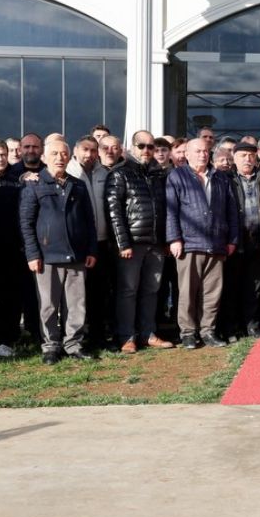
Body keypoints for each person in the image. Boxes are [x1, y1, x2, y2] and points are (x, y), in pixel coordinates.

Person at [20, 136, 98, 364]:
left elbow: (89, 221)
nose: (59, 158)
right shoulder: (34, 184)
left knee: (76, 304)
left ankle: (73, 344)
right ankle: (51, 346)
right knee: (48, 305)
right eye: (54, 154)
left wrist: (91, 249)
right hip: (47, 257)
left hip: (76, 255)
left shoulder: (78, 185)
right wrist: (32, 254)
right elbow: (26, 223)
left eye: (64, 153)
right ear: (44, 157)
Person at [165, 137, 240, 349]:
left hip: (217, 243)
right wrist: (174, 238)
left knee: (212, 292)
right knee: (187, 292)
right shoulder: (177, 176)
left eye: (206, 151)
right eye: (197, 151)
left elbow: (232, 211)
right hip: (189, 243)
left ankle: (208, 331)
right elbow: (171, 210)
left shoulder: (221, 177)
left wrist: (232, 239)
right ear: (187, 154)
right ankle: (188, 333)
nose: (202, 154)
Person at [107, 131, 174, 353]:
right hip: (132, 244)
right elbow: (114, 212)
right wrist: (122, 243)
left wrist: (166, 239)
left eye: (150, 146)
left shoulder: (158, 174)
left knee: (151, 290)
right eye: (141, 146)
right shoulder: (120, 174)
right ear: (131, 147)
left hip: (155, 243)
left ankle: (148, 333)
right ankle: (126, 336)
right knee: (128, 291)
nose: (146, 150)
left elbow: (166, 209)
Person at [0, 140, 35, 357]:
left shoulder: (17, 182)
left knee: (10, 299)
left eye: (3, 154)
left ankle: (4, 343)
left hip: (12, 251)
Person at [70, 135, 116, 352]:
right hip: (77, 244)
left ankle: (98, 336)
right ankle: (76, 338)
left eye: (93, 150)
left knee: (99, 292)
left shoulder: (104, 173)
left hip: (102, 242)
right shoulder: (68, 172)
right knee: (77, 295)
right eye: (85, 150)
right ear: (76, 150)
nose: (89, 154)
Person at [227, 142, 260, 340]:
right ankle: (232, 326)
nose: (247, 159)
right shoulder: (226, 178)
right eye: (243, 155)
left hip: (258, 239)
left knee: (255, 286)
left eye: (251, 155)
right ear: (234, 158)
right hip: (235, 240)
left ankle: (252, 325)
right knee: (232, 285)